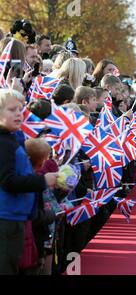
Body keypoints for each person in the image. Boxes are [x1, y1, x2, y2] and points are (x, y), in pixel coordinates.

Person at [0, 89, 58, 274]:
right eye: (12, 110)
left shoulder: (11, 138)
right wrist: (42, 181)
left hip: (16, 217)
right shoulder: (3, 143)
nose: (18, 113)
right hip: (6, 219)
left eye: (20, 109)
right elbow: (8, 181)